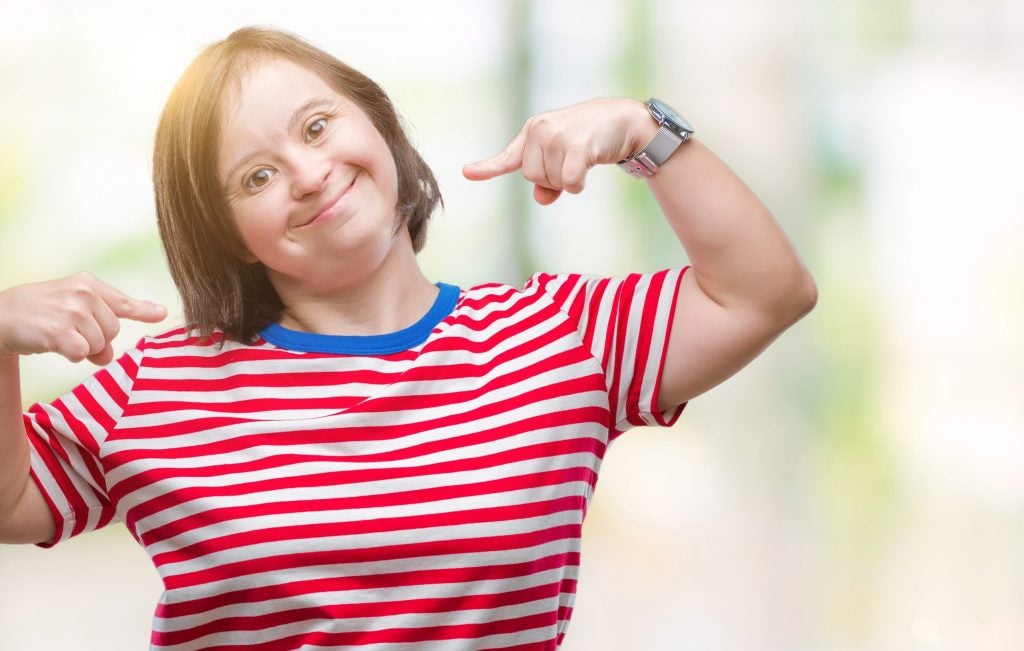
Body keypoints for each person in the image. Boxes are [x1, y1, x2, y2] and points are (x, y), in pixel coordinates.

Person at [0, 26, 816, 651]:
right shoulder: (163, 384)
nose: (310, 173)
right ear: (232, 234)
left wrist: (646, 133)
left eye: (317, 127)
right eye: (256, 176)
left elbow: (764, 293)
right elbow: (10, 502)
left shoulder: (558, 337)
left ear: (380, 127)